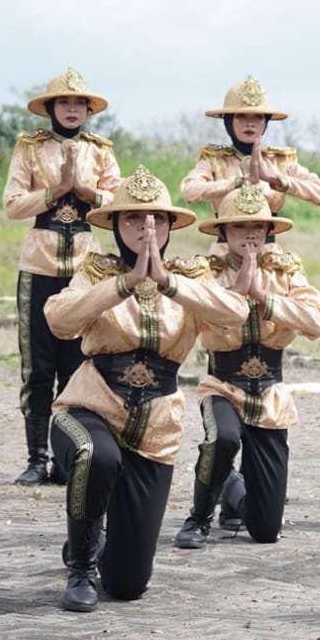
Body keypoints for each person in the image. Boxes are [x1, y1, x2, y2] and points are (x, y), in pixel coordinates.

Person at [44, 167, 248, 611]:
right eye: (132, 219)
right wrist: (125, 284)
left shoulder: (191, 274)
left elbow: (235, 313)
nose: (145, 228)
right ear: (115, 225)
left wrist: (169, 283)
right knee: (96, 456)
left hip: (155, 430)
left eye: (155, 219)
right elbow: (58, 319)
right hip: (90, 408)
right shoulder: (97, 270)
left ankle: (99, 539)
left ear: (172, 225)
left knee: (128, 584)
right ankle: (80, 564)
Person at [172, 182, 320, 549]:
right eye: (240, 227)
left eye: (257, 227)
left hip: (271, 392)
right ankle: (198, 517)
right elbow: (196, 315)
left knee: (265, 532)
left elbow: (318, 321)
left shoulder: (285, 270)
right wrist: (234, 297)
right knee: (223, 438)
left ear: (269, 231)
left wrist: (264, 297)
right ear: (223, 231)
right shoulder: (206, 271)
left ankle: (234, 491)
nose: (249, 235)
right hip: (223, 384)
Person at [2, 68, 122, 486]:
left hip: (85, 273)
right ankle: (36, 457)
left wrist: (88, 193)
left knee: (79, 367)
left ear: (88, 110)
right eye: (64, 103)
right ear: (51, 107)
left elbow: (118, 206)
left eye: (79, 104)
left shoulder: (100, 152)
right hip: (39, 266)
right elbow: (13, 205)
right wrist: (55, 191)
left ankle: (66, 459)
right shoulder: (29, 148)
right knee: (38, 366)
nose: (71, 110)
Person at [180, 75, 320, 216]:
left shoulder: (279, 161)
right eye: (241, 116)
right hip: (225, 243)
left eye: (258, 117)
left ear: (265, 122)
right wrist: (237, 182)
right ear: (228, 120)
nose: (250, 123)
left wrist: (274, 178)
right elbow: (188, 190)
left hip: (269, 244)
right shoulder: (214, 160)